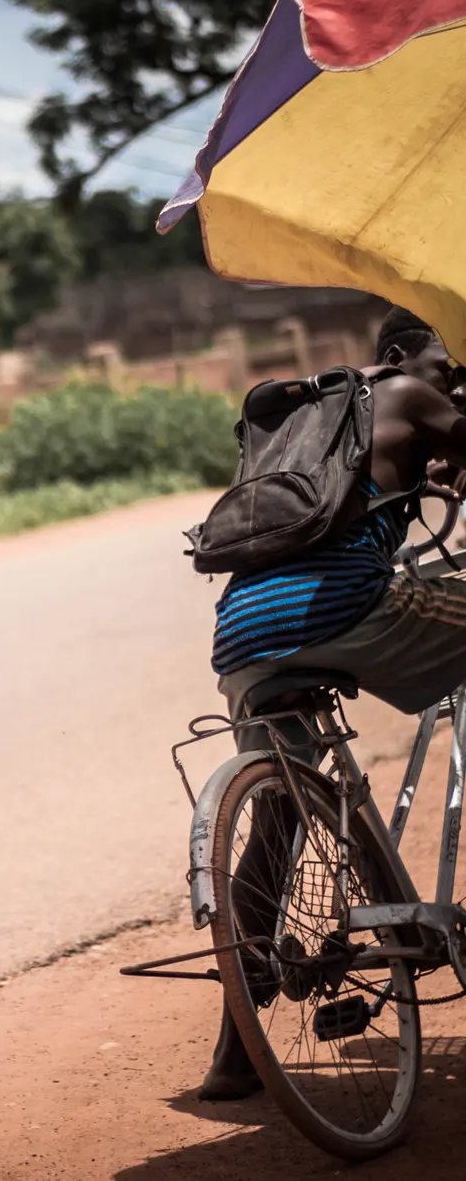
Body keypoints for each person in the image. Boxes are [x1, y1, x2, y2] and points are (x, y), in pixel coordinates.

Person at [201, 305, 466, 1100]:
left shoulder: (306, 417)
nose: (448, 387)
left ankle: (237, 1055)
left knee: (275, 818)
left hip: (241, 632)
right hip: (338, 609)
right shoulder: (400, 391)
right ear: (396, 356)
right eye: (445, 371)